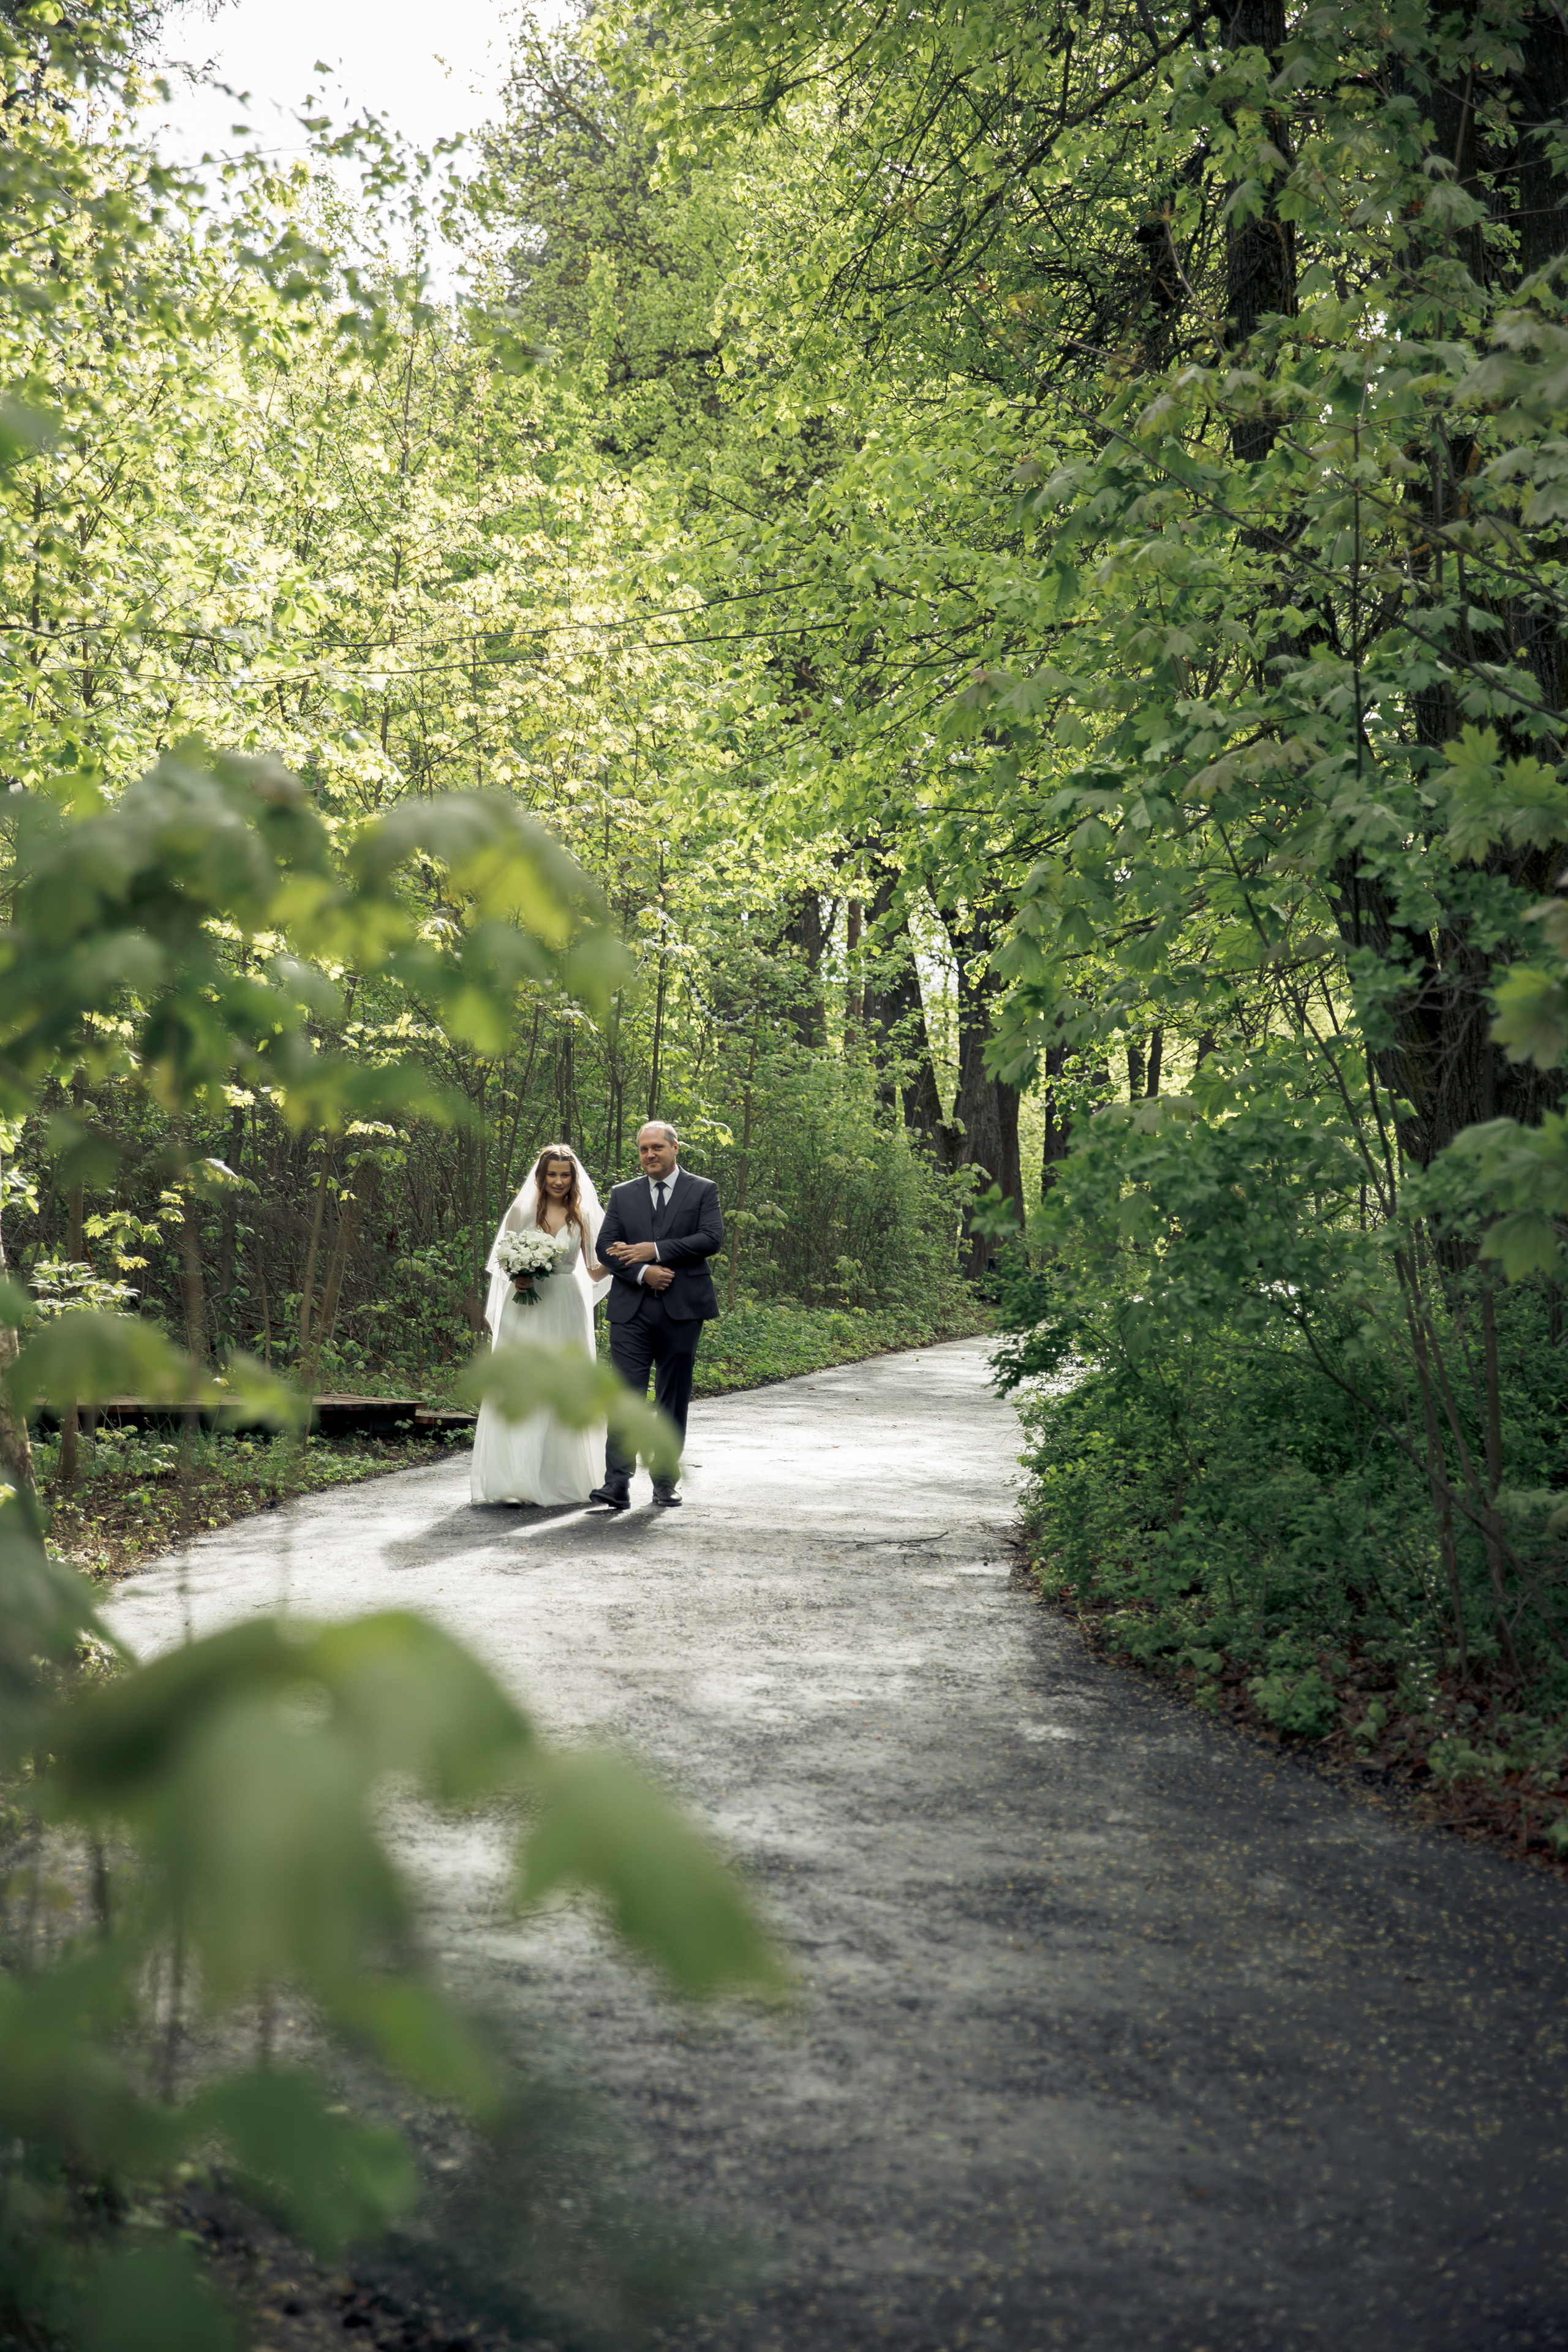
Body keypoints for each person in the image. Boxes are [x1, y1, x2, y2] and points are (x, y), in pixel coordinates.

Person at [589, 1121, 723, 1512]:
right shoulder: (623, 1194)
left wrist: (656, 1251)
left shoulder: (702, 1190)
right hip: (632, 1308)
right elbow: (605, 1247)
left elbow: (710, 1238)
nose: (650, 1155)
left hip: (683, 1309)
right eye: (644, 1149)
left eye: (657, 1148)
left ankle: (665, 1482)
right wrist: (642, 1271)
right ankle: (616, 1484)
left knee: (673, 1396)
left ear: (675, 1148)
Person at [470, 1144, 611, 1507]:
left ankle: (561, 1478)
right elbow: (504, 1258)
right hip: (526, 1306)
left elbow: (595, 1270)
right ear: (542, 1176)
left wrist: (618, 1261)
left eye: (566, 1175)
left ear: (573, 1178)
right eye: (553, 1174)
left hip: (566, 1303)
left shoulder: (581, 1216)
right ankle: (517, 1481)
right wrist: (517, 1275)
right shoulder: (523, 1210)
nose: (559, 1181)